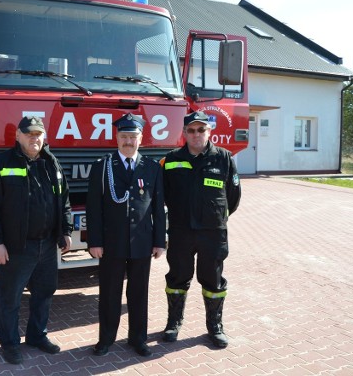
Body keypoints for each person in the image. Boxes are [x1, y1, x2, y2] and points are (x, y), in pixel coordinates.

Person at [0, 116, 73, 365]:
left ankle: (36, 336)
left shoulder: (52, 164)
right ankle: (9, 344)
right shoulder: (1, 163)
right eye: (29, 134)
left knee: (44, 293)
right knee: (10, 298)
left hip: (47, 244)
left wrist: (66, 231)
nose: (35, 138)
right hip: (16, 246)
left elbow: (63, 201)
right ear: (18, 136)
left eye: (39, 134)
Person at [86, 112, 166, 357]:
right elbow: (94, 208)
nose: (128, 141)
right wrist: (95, 241)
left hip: (142, 242)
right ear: (116, 138)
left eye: (133, 137)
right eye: (124, 137)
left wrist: (159, 241)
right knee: (109, 293)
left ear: (141, 139)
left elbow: (158, 207)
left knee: (139, 293)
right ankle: (106, 339)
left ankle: (138, 339)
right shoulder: (102, 167)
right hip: (111, 243)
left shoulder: (152, 167)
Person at [160, 111, 241, 348]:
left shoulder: (224, 158)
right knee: (177, 278)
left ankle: (215, 326)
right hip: (181, 232)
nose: (196, 134)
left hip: (212, 233)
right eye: (191, 130)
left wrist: (216, 218)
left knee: (213, 280)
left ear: (209, 131)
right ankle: (173, 322)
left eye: (201, 129)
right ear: (184, 133)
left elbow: (233, 198)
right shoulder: (171, 159)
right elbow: (162, 195)